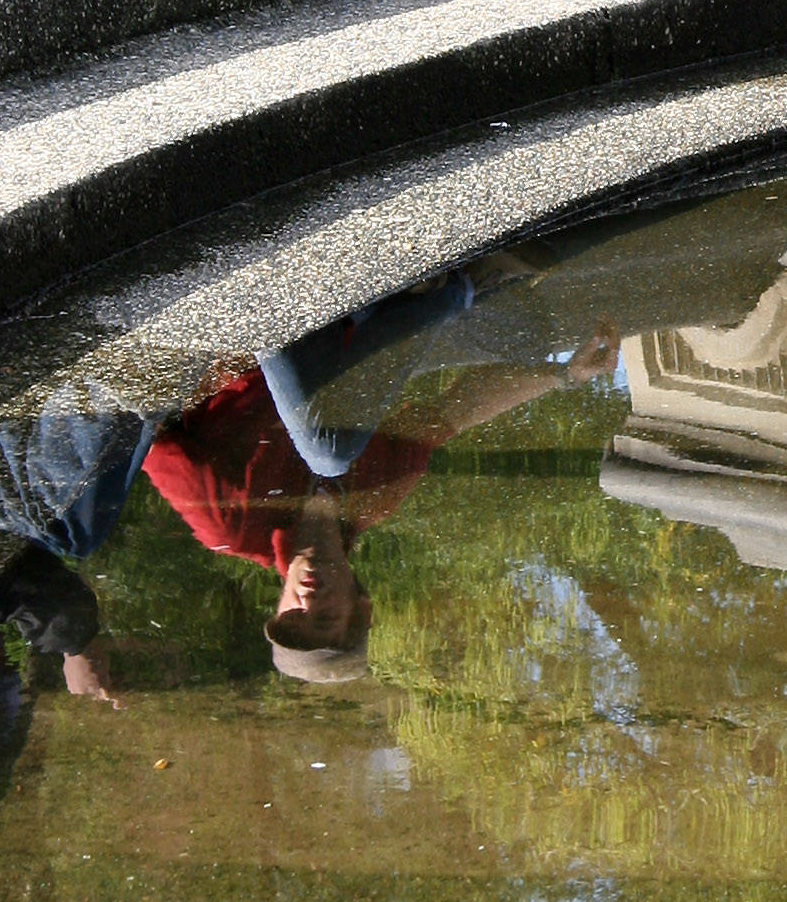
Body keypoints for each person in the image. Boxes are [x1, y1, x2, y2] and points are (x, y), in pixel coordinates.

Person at [143, 275, 620, 683]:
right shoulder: (375, 499)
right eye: (326, 617)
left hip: (252, 329)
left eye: (295, 615)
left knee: (329, 454)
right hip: (345, 327)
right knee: (526, 331)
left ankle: (452, 291)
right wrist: (562, 377)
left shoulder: (228, 526)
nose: (309, 600)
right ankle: (448, 288)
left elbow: (145, 439)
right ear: (361, 606)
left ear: (278, 608)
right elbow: (453, 411)